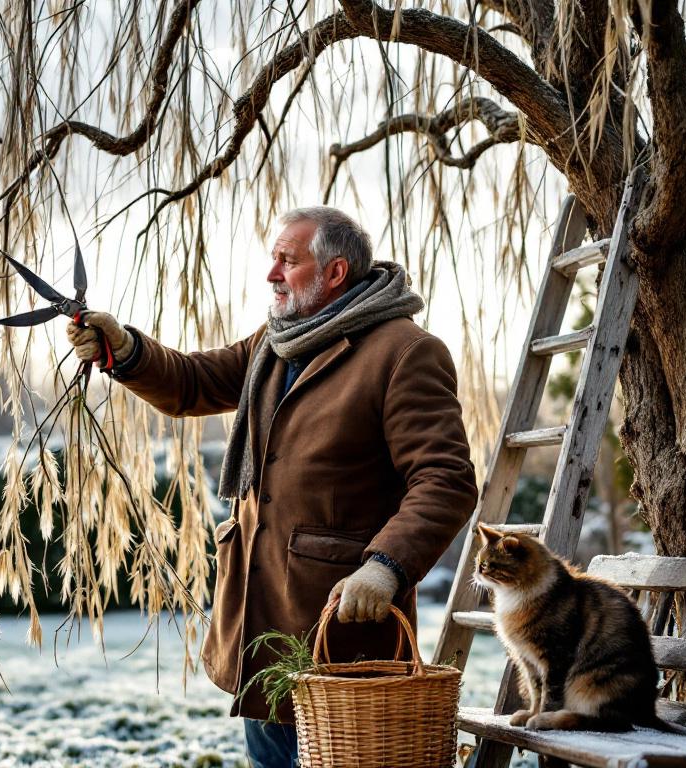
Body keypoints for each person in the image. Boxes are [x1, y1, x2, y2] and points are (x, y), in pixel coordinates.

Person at [64, 206, 478, 768]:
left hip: (339, 635)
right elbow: (195, 382)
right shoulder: (278, 340)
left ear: (334, 272)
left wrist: (386, 567)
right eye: (273, 258)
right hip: (262, 630)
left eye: (288, 259)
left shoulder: (405, 352)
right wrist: (126, 349)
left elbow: (444, 480)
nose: (272, 273)